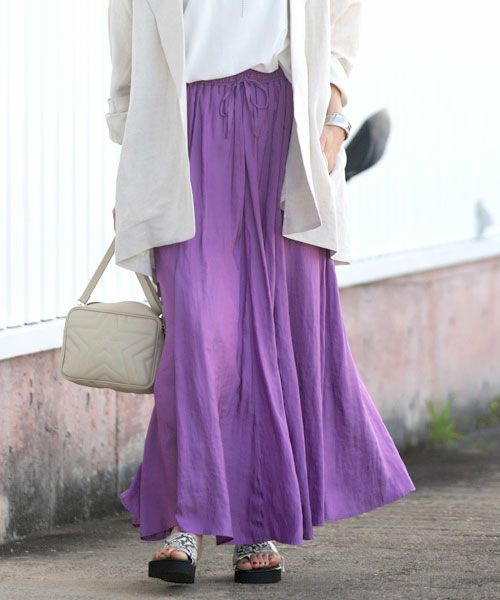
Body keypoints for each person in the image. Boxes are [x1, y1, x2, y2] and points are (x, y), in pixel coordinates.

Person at [106, 0, 416, 586]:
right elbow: (127, 54)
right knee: (199, 330)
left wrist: (334, 117)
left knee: (272, 335)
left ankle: (256, 526)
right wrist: (135, 170)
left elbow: (340, 22)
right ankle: (185, 520)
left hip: (285, 126)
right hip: (183, 130)